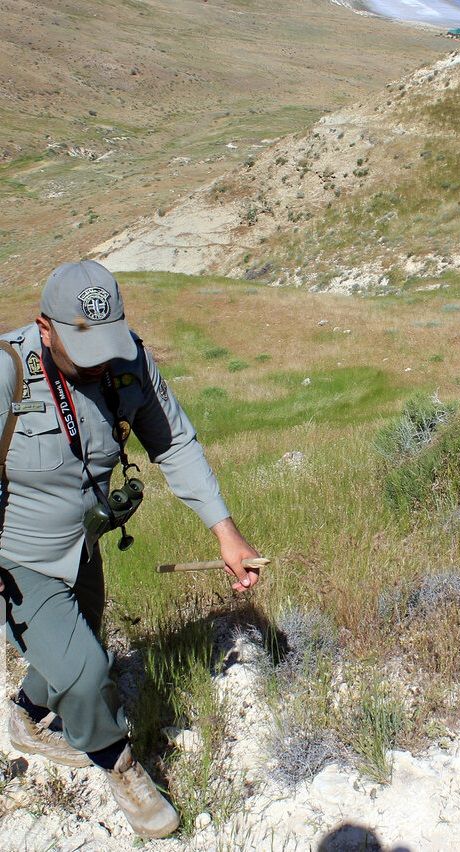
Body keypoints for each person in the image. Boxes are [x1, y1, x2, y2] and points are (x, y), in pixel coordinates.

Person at [0, 260, 260, 838]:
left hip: (82, 542)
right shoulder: (6, 371)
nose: (100, 362)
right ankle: (118, 763)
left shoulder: (131, 363)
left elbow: (174, 442)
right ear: (46, 329)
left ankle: (27, 714)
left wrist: (226, 532)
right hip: (18, 556)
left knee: (75, 645)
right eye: (81, 348)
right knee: (90, 671)